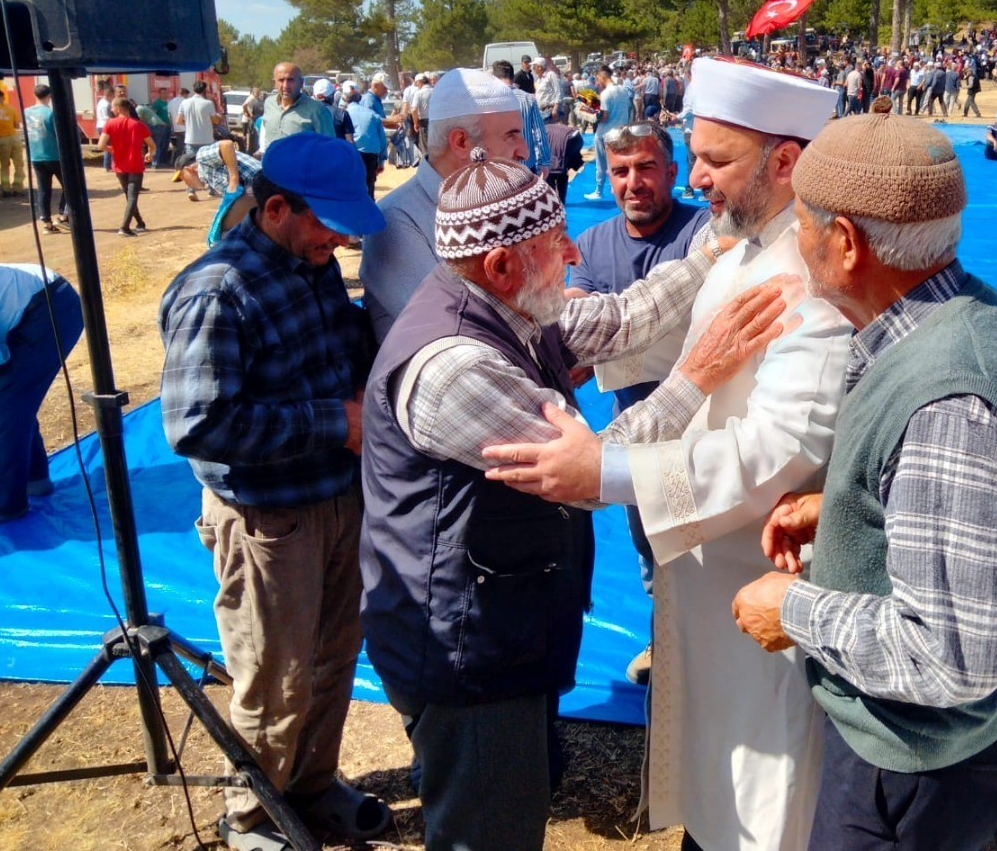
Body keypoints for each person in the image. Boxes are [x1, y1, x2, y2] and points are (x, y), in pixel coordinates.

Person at [482, 56, 851, 850]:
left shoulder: (808, 276)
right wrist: (580, 361)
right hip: (708, 575)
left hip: (757, 579)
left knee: (763, 794)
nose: (698, 178)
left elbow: (779, 450)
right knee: (718, 776)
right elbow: (687, 336)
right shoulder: (743, 242)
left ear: (785, 162)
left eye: (717, 160)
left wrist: (609, 471)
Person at [359, 152, 766, 851]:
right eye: (557, 244)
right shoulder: (455, 368)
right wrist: (698, 376)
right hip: (465, 648)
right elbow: (587, 472)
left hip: (500, 621)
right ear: (501, 265)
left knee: (518, 787)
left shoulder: (501, 304)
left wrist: (711, 251)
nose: (576, 253)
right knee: (489, 830)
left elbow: (622, 318)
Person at [732, 115, 997, 850]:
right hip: (941, 753)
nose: (796, 244)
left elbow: (950, 657)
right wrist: (846, 509)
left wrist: (794, 610)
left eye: (802, 225)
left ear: (846, 242)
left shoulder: (945, 404)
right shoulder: (968, 315)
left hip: (914, 769)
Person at [159, 134, 391, 851]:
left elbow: (337, 349)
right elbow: (199, 425)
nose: (339, 240)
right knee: (274, 677)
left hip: (337, 498)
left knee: (334, 657)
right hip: (267, 521)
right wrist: (337, 422)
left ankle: (311, 788)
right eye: (328, 224)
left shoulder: (312, 265)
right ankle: (253, 817)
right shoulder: (217, 292)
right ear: (277, 209)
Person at [569, 122, 710, 685]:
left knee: (704, 545)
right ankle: (664, 641)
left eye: (646, 168)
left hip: (704, 425)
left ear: (672, 173)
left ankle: (708, 653)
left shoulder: (703, 231)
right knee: (651, 543)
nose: (634, 183)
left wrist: (611, 337)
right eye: (621, 171)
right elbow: (578, 317)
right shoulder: (593, 242)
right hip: (636, 429)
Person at [360, 67, 529, 341]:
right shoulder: (396, 221)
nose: (524, 151)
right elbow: (455, 331)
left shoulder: (496, 204)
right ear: (462, 142)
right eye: (511, 135)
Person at [0, 265, 84, 536]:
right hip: (34, 304)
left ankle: (7, 505)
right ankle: (34, 479)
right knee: (16, 402)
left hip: (50, 308)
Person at [99, 97, 155, 237]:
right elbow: (152, 145)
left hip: (119, 165)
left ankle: (140, 223)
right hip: (135, 164)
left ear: (118, 108)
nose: (111, 109)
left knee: (129, 196)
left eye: (113, 107)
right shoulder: (139, 125)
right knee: (132, 197)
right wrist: (149, 153)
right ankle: (124, 227)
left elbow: (101, 145)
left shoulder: (110, 123)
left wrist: (112, 150)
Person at [259, 63, 334, 153]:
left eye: (290, 80)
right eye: (281, 80)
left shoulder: (317, 110)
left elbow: (329, 148)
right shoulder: (269, 104)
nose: (285, 85)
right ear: (274, 83)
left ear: (301, 83)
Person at [24, 84, 67, 233]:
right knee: (68, 186)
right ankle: (63, 215)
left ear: (35, 95)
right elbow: (58, 134)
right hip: (54, 154)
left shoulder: (26, 112)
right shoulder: (50, 113)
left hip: (36, 155)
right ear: (49, 96)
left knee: (44, 189)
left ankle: (46, 222)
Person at [586, 65, 630, 200]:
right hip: (621, 132)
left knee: (602, 164)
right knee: (619, 163)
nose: (597, 82)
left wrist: (591, 113)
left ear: (602, 76)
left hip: (605, 134)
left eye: (597, 78)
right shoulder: (623, 90)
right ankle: (620, 189)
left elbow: (605, 117)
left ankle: (599, 191)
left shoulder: (606, 94)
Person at [0, 83, 25, 196]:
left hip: (1, 140)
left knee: (4, 166)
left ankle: (6, 189)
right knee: (19, 165)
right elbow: (17, 125)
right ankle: (18, 188)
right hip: (15, 138)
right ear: (3, 97)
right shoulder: (11, 109)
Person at [544, 114, 584, 203]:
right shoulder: (548, 128)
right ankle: (561, 201)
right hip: (576, 137)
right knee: (562, 171)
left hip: (567, 142)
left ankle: (553, 202)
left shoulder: (542, 131)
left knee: (552, 173)